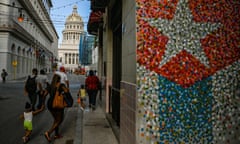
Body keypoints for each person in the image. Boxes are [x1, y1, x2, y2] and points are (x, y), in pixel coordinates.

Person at [44, 74, 70, 142]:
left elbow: (44, 94)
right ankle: (48, 133)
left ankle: (56, 134)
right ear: (59, 79)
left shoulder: (50, 85)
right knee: (59, 120)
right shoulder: (61, 85)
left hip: (50, 104)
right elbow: (67, 91)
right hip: (58, 104)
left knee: (56, 120)